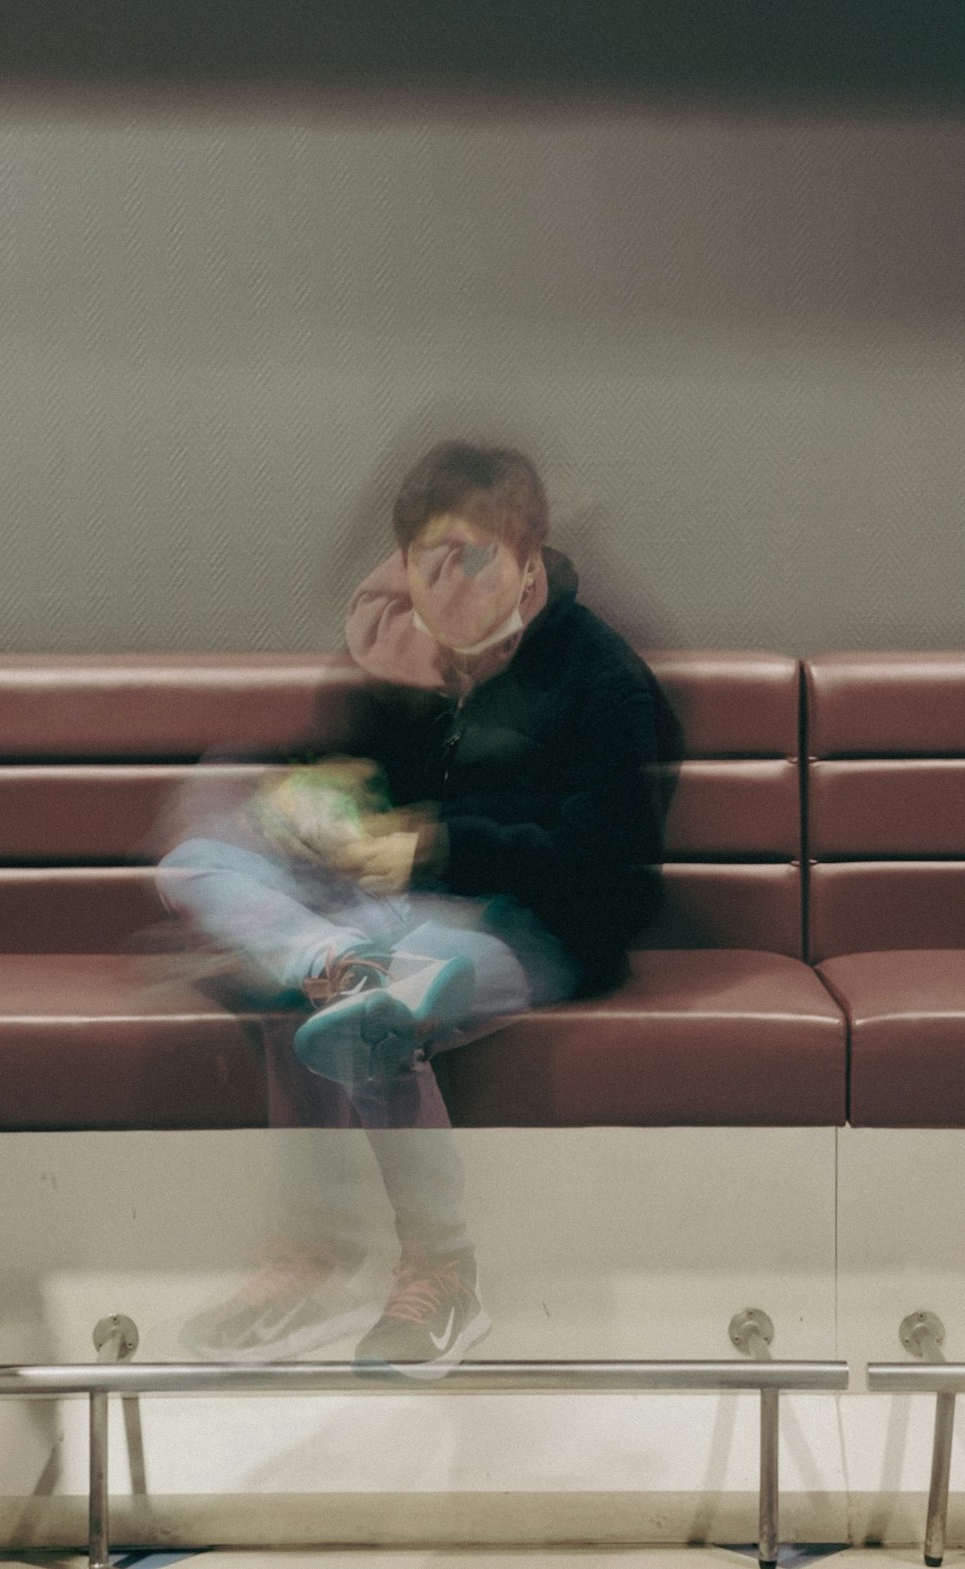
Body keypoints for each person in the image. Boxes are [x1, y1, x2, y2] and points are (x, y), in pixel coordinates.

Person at [157, 440, 676, 1375]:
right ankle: (323, 956)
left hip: (525, 930)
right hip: (373, 912)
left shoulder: (600, 677)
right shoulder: (402, 650)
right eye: (427, 562)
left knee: (374, 1003)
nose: (449, 586)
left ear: (526, 559)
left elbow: (613, 874)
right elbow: (357, 783)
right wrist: (319, 805)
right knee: (208, 839)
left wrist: (435, 844)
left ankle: (436, 1268)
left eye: (473, 557)